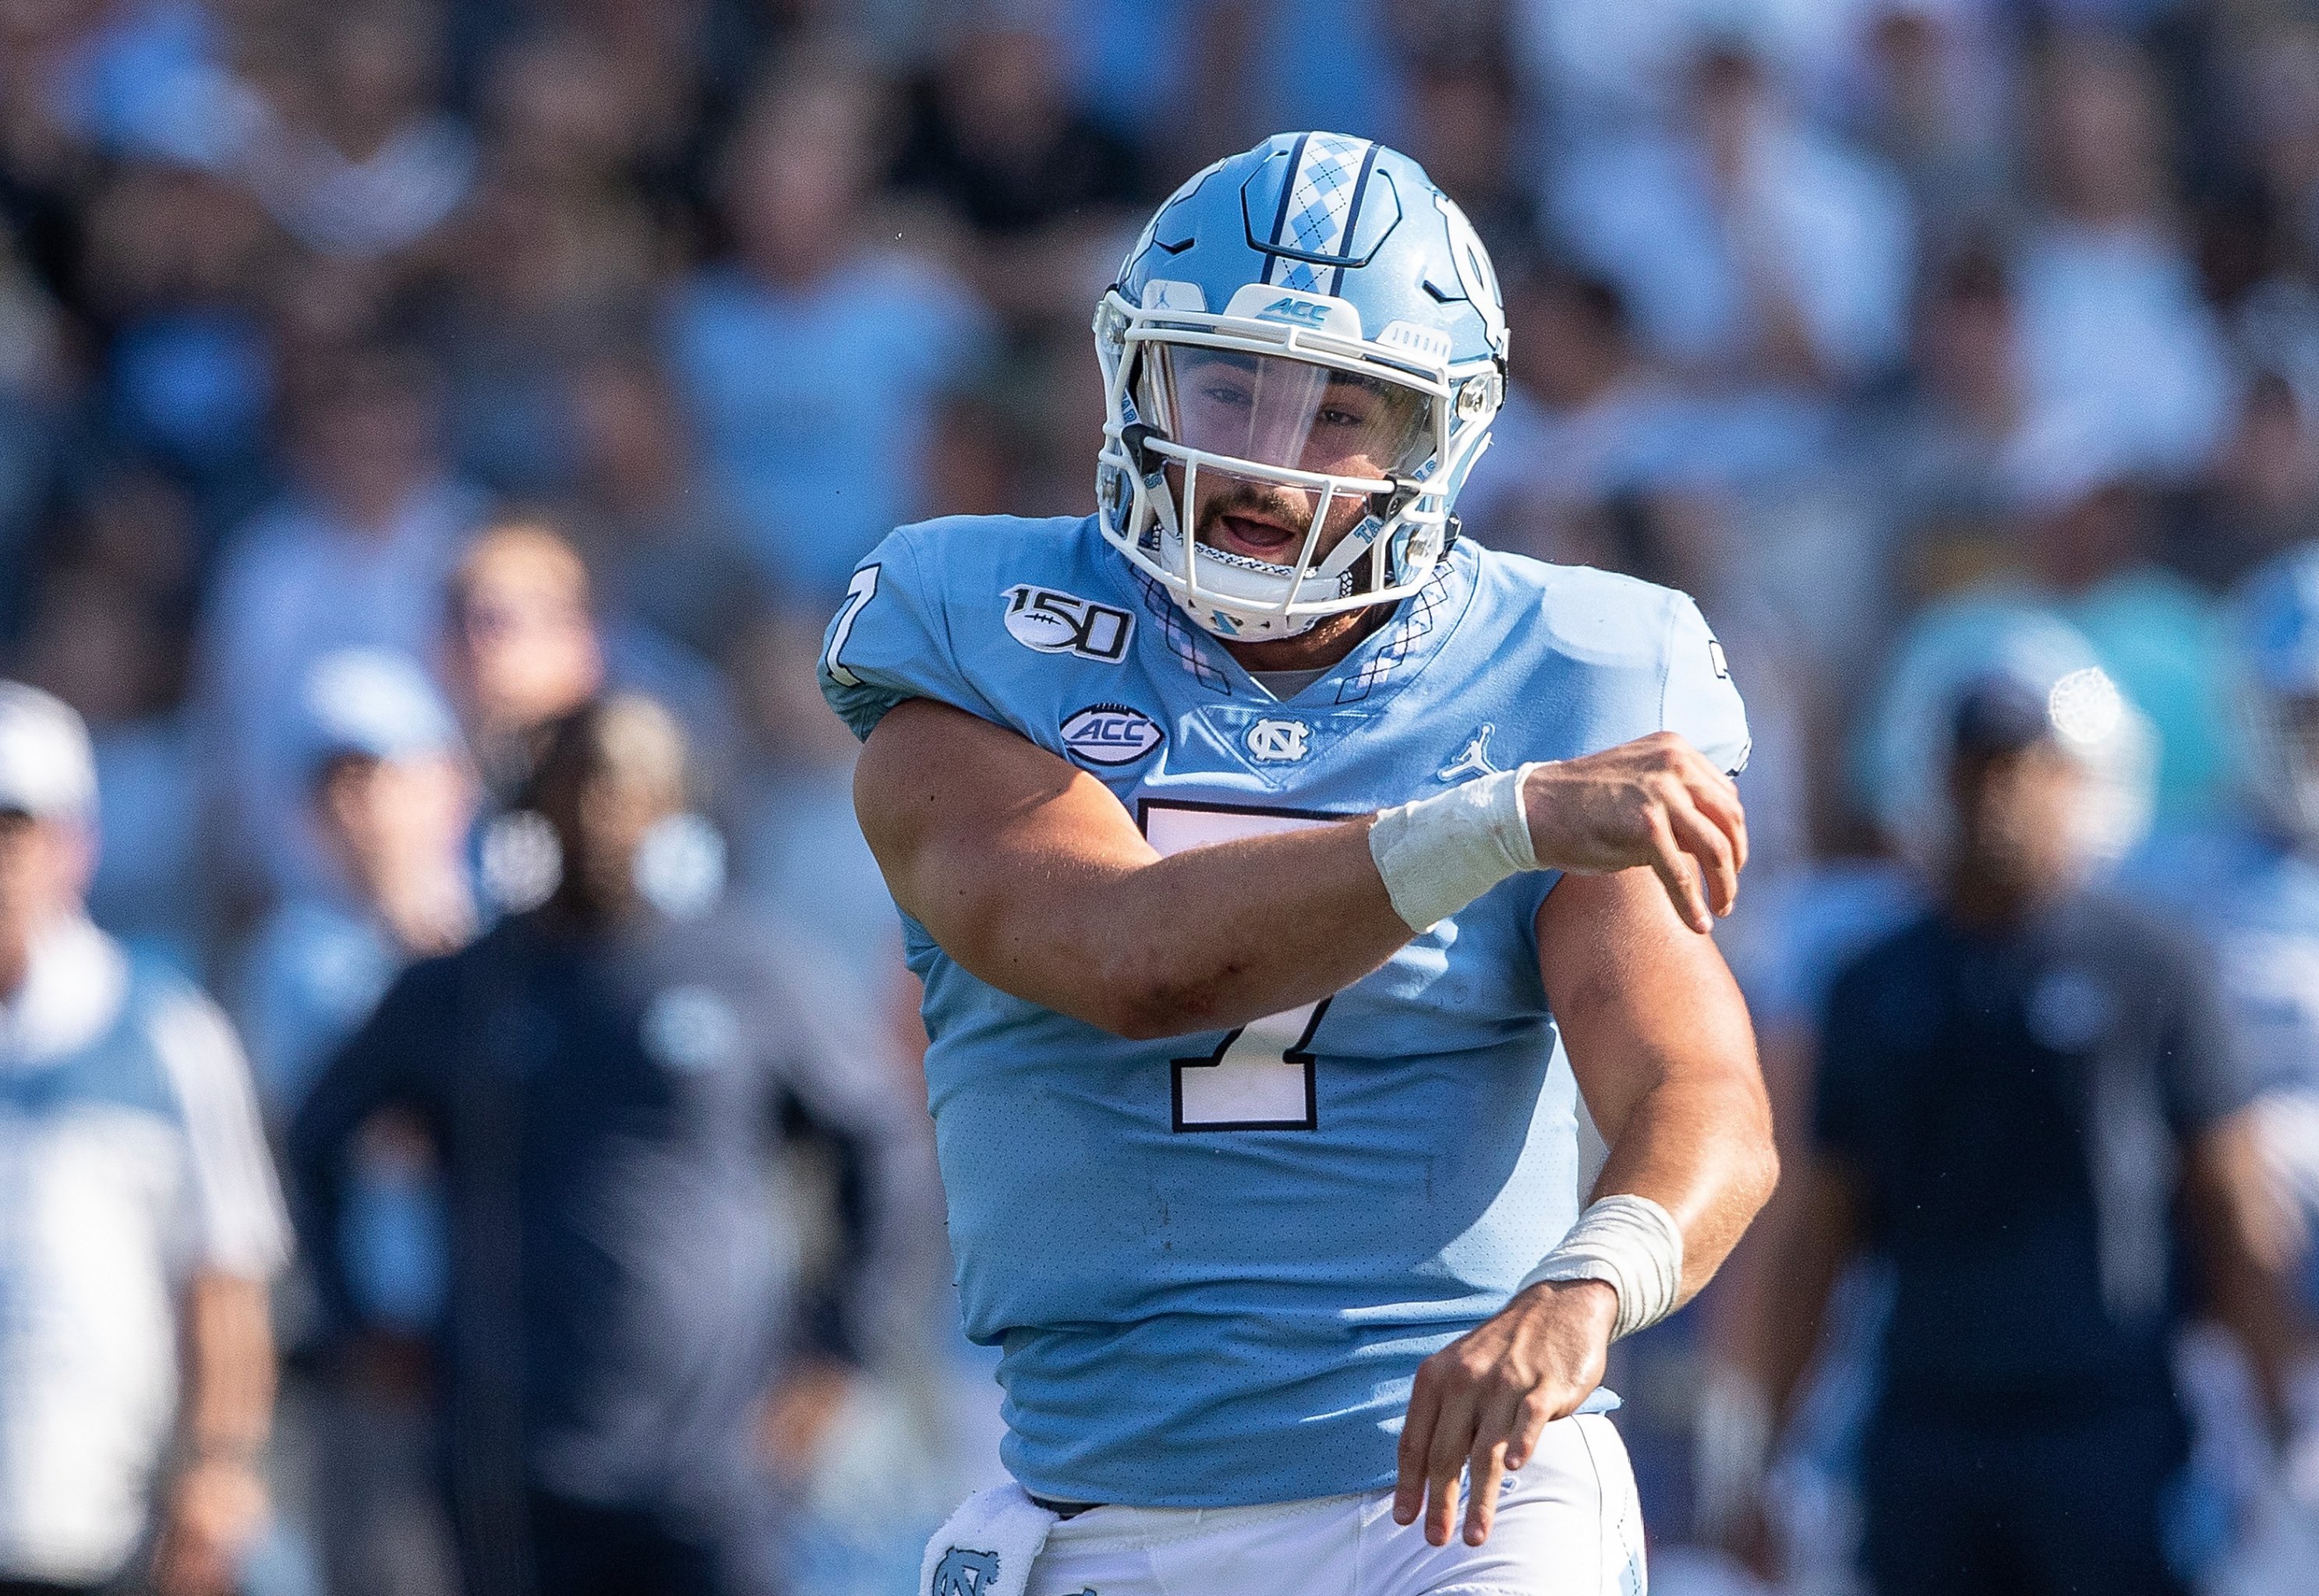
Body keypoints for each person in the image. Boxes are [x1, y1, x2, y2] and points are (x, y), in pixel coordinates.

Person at [822, 132, 1776, 1591]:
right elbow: (1131, 958)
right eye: (1228, 381)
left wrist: (1589, 1285)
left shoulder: (1571, 664)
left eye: (1344, 408)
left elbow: (1696, 1086)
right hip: (1105, 1505)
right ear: (1135, 372)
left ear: (1437, 436)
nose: (1268, 449)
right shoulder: (974, 631)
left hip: (1461, 1502)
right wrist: (1493, 817)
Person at [286, 694, 927, 1596]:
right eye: (570, 790)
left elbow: (879, 1142)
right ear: (526, 810)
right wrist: (357, 1324)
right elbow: (315, 1140)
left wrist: (837, 1348)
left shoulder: (749, 967)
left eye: (622, 791)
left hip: (716, 1468)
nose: (594, 817)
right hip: (508, 1468)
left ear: (670, 805)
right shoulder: (465, 989)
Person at [1734, 624, 2294, 1596]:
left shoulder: (2152, 964)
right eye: (1972, 766)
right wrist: (1765, 1450)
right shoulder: (1873, 982)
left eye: (2023, 766)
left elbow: (2231, 1197)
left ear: (2078, 780)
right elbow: (1818, 1227)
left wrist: (2279, 1412)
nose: (1993, 795)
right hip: (1926, 1419)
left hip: (2109, 1417)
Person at [0, 683, 290, 1595]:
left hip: (97, 1532)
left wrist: (216, 1472)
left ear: (72, 846)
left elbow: (224, 1279)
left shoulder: (166, 1033)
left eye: (11, 829)